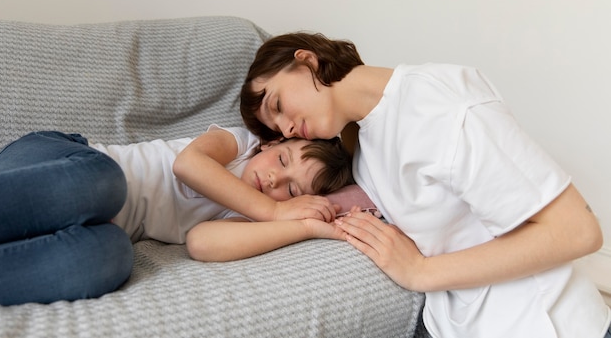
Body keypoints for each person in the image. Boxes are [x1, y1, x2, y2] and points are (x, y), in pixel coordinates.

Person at [239, 32, 611, 338]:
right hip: (447, 322)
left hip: (536, 322)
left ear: (307, 61)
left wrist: (420, 271)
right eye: (277, 128)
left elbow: (577, 232)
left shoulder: (442, 106)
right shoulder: (359, 136)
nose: (286, 127)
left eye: (278, 105)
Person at [0, 125, 353, 306]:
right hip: (61, 167)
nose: (274, 178)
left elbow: (202, 242)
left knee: (112, 258)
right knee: (110, 184)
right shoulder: (239, 143)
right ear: (271, 143)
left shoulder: (254, 217)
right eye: (282, 160)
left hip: (89, 225)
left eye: (290, 190)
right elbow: (186, 164)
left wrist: (302, 226)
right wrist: (275, 207)